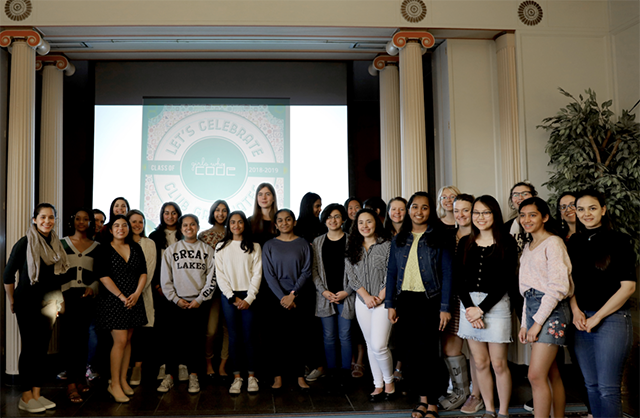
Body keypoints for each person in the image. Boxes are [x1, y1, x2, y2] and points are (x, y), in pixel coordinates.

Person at [568, 190, 636, 418]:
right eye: (581, 209)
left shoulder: (620, 240)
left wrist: (598, 317)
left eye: (592, 208)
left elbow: (628, 287)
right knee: (592, 386)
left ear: (603, 210)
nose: (586, 214)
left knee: (608, 389)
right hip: (581, 319)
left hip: (612, 320)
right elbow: (569, 283)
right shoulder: (574, 242)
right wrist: (575, 310)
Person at [385, 192, 452, 418]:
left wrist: (444, 307)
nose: (419, 212)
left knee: (429, 353)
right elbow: (392, 272)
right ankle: (422, 400)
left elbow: (447, 273)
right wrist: (390, 303)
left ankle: (432, 402)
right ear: (408, 210)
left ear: (430, 211)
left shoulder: (439, 236)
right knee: (411, 353)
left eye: (424, 207)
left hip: (429, 300)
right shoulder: (400, 238)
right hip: (405, 300)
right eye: (414, 207)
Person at [3, 203, 69, 413]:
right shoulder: (24, 243)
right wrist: (13, 300)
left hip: (49, 303)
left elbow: (58, 279)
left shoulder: (57, 245)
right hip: (27, 303)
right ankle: (25, 396)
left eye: (51, 217)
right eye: (42, 217)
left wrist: (59, 301)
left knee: (42, 349)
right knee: (30, 349)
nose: (47, 221)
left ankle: (37, 394)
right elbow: (7, 275)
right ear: (34, 219)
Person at [456, 196, 518, 418]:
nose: (480, 217)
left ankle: (503, 412)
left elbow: (506, 280)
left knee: (499, 363)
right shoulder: (465, 242)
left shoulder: (507, 242)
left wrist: (481, 309)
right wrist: (471, 308)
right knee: (480, 362)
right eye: (476, 213)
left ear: (495, 215)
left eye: (486, 212)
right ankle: (489, 409)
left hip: (496, 305)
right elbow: (459, 279)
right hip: (468, 306)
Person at [518, 197, 573, 418]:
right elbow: (526, 291)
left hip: (552, 310)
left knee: (535, 375)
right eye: (522, 215)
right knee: (551, 373)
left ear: (545, 217)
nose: (526, 219)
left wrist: (538, 322)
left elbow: (558, 287)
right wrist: (525, 323)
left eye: (532, 215)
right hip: (533, 309)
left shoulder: (554, 243)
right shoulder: (528, 248)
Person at [157, 214, 216, 394]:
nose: (189, 228)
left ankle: (193, 376)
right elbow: (165, 279)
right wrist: (175, 299)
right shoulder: (171, 250)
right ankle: (170, 377)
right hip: (176, 303)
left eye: (192, 224)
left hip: (198, 303)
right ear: (180, 228)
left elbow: (211, 279)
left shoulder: (207, 250)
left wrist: (200, 299)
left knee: (196, 341)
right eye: (185, 225)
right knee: (173, 341)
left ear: (198, 227)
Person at [95, 215, 148, 403]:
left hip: (134, 299)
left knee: (129, 340)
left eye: (124, 225)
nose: (121, 228)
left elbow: (143, 272)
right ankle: (114, 384)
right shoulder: (104, 249)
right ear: (110, 230)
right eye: (116, 225)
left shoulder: (135, 247)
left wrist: (136, 294)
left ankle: (123, 380)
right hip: (114, 300)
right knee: (120, 340)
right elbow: (103, 276)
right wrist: (122, 297)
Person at [262, 209, 313, 391]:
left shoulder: (303, 243)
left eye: (288, 219)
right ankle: (278, 377)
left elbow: (307, 271)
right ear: (275, 224)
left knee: (298, 338)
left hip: (298, 298)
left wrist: (293, 294)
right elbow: (269, 275)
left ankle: (300, 376)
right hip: (276, 299)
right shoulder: (269, 245)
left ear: (294, 222)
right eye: (280, 220)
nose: (284, 223)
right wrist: (283, 298)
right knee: (277, 339)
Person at [440, 194, 483, 413]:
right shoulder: (447, 236)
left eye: (466, 210)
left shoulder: (482, 236)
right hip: (450, 299)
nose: (461, 215)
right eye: (457, 210)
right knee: (451, 347)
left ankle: (477, 394)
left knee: (477, 350)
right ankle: (460, 391)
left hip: (475, 301)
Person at [347, 208, 394, 402]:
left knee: (379, 345)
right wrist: (366, 297)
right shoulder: (352, 246)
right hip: (362, 301)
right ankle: (378, 384)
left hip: (383, 301)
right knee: (369, 344)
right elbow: (351, 275)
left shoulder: (387, 245)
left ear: (376, 223)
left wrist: (381, 295)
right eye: (361, 222)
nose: (365, 226)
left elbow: (391, 272)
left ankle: (389, 382)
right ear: (356, 225)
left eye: (369, 221)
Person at [215, 211, 262, 394]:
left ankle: (251, 377)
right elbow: (220, 275)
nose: (236, 225)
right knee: (234, 338)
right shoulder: (221, 247)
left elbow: (257, 274)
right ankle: (237, 378)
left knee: (249, 337)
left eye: (240, 222)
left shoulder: (254, 246)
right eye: (232, 222)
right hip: (230, 297)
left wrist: (249, 298)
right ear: (228, 225)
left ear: (245, 224)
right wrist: (232, 298)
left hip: (249, 296)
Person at [60, 208, 100, 403]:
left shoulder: (97, 246)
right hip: (66, 297)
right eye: (78, 219)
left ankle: (81, 378)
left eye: (86, 219)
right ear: (73, 221)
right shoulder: (61, 244)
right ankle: (70, 384)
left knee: (84, 339)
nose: (82, 222)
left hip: (87, 297)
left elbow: (101, 274)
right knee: (69, 339)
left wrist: (93, 287)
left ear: (91, 223)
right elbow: (54, 272)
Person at [312, 204, 355, 389]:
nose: (333, 220)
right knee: (329, 336)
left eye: (337, 216)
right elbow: (313, 270)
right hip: (325, 297)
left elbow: (358, 270)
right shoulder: (317, 242)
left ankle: (345, 372)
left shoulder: (352, 241)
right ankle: (332, 371)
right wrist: (323, 291)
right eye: (329, 216)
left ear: (343, 219)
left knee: (345, 335)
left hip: (347, 295)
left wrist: (347, 291)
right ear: (324, 220)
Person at [148, 202, 182, 381]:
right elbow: (152, 265)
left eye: (174, 213)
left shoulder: (185, 234)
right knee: (162, 329)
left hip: (183, 290)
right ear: (162, 215)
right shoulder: (154, 236)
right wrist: (157, 286)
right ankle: (163, 364)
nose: (170, 216)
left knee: (181, 329)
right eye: (166, 213)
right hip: (161, 290)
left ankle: (182, 364)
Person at [198, 200, 231, 381]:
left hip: (231, 288)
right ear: (212, 212)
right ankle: (208, 362)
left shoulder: (233, 233)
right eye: (217, 210)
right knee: (211, 330)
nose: (220, 213)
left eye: (224, 210)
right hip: (211, 289)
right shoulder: (203, 235)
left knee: (228, 329)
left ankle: (223, 365)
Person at [126, 209, 157, 386]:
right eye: (133, 222)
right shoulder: (120, 242)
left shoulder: (149, 243)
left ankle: (137, 367)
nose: (137, 225)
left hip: (143, 294)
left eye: (141, 222)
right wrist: (126, 295)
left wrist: (137, 293)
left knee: (142, 333)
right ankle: (124, 367)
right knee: (125, 334)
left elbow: (149, 270)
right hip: (122, 296)